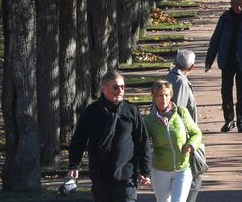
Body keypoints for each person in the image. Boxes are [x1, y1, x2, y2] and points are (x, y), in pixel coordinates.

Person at [68, 70, 152, 201]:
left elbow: (142, 141)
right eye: (116, 87)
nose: (120, 91)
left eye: (123, 87)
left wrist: (145, 171)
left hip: (126, 175)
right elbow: (79, 139)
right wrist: (74, 164)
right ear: (104, 88)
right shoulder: (92, 112)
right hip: (100, 175)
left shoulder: (131, 111)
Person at [204, 0, 242, 132]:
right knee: (226, 91)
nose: (238, 7)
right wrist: (209, 60)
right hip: (227, 60)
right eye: (235, 4)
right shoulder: (225, 18)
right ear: (231, 4)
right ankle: (229, 120)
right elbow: (216, 39)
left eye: (240, 4)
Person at [143, 80, 202, 202]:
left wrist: (191, 145)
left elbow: (196, 133)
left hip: (183, 168)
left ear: (171, 95)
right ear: (153, 97)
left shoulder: (181, 113)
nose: (164, 99)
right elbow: (143, 144)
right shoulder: (148, 120)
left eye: (166, 95)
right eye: (160, 95)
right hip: (160, 169)